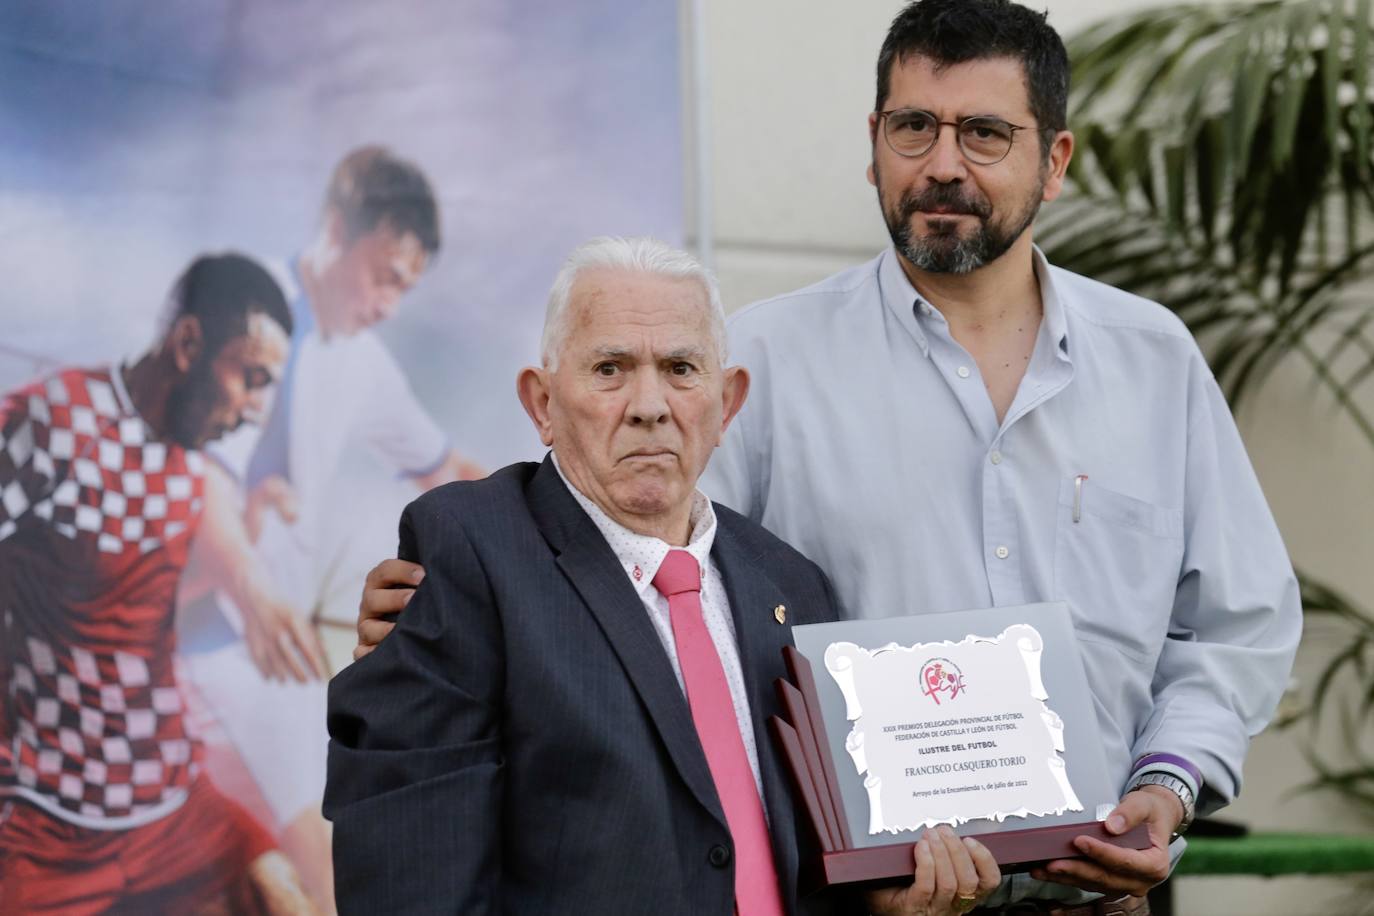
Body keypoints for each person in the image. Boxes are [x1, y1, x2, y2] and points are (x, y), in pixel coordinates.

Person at [355, 2, 1302, 913]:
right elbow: (631, 587)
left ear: (1053, 160)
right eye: (913, 127)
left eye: (983, 133)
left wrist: (1170, 785)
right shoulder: (757, 366)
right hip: (868, 905)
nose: (942, 166)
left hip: (1099, 901)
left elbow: (1234, 624)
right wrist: (458, 616)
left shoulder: (1154, 358)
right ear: (873, 142)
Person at [325, 236, 1002, 916]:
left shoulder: (790, 586)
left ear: (727, 405)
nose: (650, 405)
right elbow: (412, 879)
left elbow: (806, 867)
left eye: (680, 369)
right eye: (611, 369)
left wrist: (885, 902)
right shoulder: (469, 552)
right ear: (542, 404)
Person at [178, 144, 482, 911]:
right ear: (336, 228)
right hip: (196, 636)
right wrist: (247, 580)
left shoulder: (364, 362)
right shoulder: (247, 313)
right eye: (384, 276)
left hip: (269, 654)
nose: (387, 302)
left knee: (325, 863)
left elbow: (446, 469)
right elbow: (194, 480)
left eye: (405, 289)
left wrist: (564, 499)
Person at [0, 254, 314, 913]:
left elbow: (129, 599)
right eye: (250, 378)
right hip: (50, 825)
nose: (256, 408)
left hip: (173, 810)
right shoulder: (52, 423)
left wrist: (250, 576)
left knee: (286, 895)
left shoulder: (187, 464)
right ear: (189, 344)